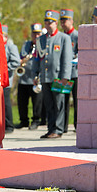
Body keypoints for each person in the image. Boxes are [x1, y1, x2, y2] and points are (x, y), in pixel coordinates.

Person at [32, 10, 72, 139]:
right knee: (48, 104)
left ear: (56, 23)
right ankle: (51, 129)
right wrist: (35, 74)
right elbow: (37, 58)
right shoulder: (41, 39)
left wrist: (65, 76)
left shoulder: (63, 38)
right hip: (45, 76)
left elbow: (66, 58)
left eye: (51, 22)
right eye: (46, 22)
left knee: (59, 104)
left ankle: (58, 129)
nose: (48, 25)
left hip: (58, 76)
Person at [15, 23, 44, 130]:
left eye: (38, 34)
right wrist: (21, 60)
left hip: (36, 78)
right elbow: (21, 56)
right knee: (22, 102)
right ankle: (23, 121)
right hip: (24, 77)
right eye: (34, 34)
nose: (36, 36)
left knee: (36, 102)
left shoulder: (43, 45)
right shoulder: (26, 44)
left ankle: (36, 120)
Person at [60, 9, 78, 132]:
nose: (62, 23)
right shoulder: (61, 37)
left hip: (75, 73)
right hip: (64, 74)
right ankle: (63, 126)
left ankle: (78, 125)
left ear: (71, 21)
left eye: (65, 20)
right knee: (63, 100)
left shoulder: (77, 35)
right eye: (61, 20)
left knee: (77, 100)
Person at [2, 25, 20, 134]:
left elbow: (15, 62)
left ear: (6, 37)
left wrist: (3, 68)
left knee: (6, 103)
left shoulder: (11, 47)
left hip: (6, 79)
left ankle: (9, 125)